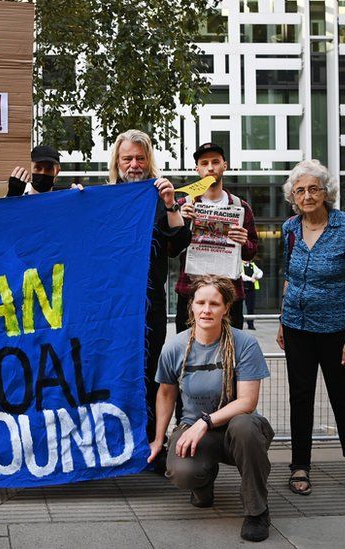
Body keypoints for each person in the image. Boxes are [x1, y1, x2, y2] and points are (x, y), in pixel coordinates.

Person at [148, 275, 274, 542]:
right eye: (201, 302)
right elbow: (166, 393)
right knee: (182, 472)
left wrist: (205, 422)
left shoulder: (245, 344)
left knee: (244, 425)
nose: (207, 310)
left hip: (238, 432)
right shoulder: (175, 346)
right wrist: (159, 440)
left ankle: (257, 511)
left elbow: (247, 402)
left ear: (226, 307)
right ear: (191, 306)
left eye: (215, 304)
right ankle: (203, 484)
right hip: (196, 430)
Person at [277, 159, 345, 496]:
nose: (307, 195)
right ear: (293, 196)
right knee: (300, 397)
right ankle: (299, 464)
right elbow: (288, 277)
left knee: (341, 394)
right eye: (300, 190)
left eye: (313, 189)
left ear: (325, 192)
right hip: (297, 326)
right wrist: (281, 320)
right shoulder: (290, 228)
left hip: (335, 329)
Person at [107, 130, 191, 468]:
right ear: (117, 162)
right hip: (111, 307)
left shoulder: (159, 197)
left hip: (149, 306)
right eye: (127, 158)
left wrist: (171, 204)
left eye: (140, 158)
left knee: (152, 373)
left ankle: (152, 445)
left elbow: (179, 242)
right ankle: (115, 443)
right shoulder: (103, 197)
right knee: (113, 369)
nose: (134, 164)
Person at [175, 143, 259, 331]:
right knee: (188, 355)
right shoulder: (182, 205)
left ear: (225, 166)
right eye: (204, 163)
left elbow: (251, 253)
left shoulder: (241, 207)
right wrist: (180, 222)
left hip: (229, 296)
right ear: (197, 169)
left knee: (230, 353)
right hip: (191, 294)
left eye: (215, 162)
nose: (210, 167)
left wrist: (244, 241)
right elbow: (171, 250)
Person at [241, 260, 263, 329]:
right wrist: (251, 279)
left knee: (250, 308)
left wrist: (256, 276)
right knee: (239, 307)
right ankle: (239, 324)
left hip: (251, 290)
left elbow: (260, 272)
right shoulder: (240, 265)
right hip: (242, 289)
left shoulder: (253, 265)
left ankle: (250, 325)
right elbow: (242, 276)